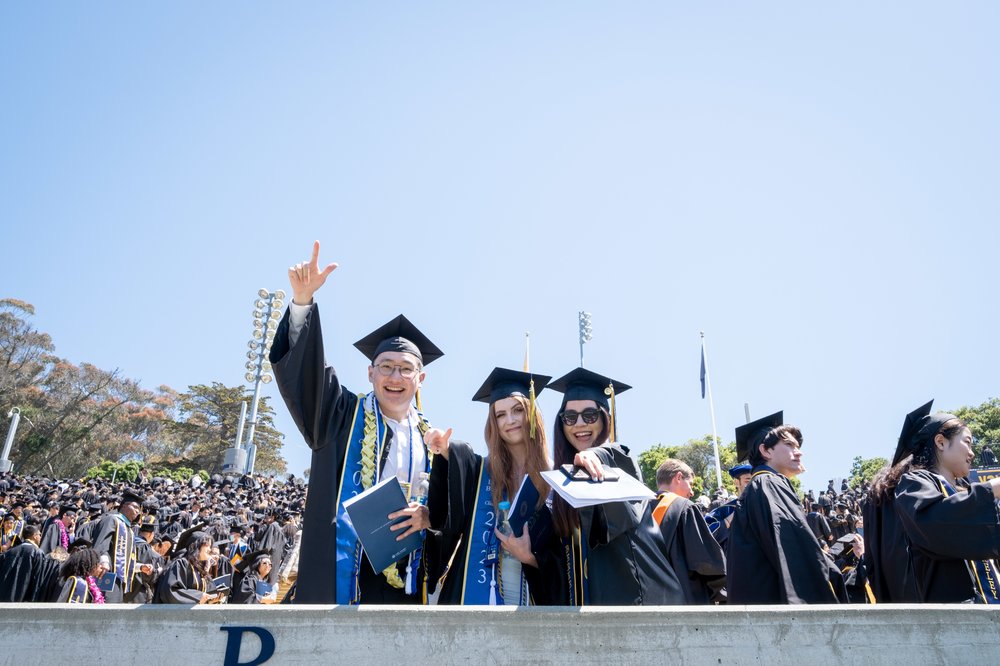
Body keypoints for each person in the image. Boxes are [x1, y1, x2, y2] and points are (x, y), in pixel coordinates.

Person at [270, 241, 443, 604]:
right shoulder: (341, 414)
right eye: (385, 367)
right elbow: (307, 379)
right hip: (345, 567)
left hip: (409, 577)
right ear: (370, 373)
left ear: (420, 379)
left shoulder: (434, 441)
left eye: (406, 368)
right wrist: (302, 302)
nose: (395, 376)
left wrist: (428, 515)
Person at [546, 367, 686, 605]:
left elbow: (613, 453)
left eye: (589, 415)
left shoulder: (620, 462)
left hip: (645, 604)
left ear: (605, 418)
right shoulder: (563, 485)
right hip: (596, 609)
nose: (579, 423)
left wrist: (594, 455)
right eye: (570, 417)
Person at [422, 367, 561, 605]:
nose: (510, 420)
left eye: (518, 410)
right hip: (481, 593)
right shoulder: (481, 473)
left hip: (533, 593)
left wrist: (531, 558)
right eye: (500, 415)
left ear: (532, 414)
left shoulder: (555, 477)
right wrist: (445, 450)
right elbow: (460, 468)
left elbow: (563, 556)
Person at [726, 412, 844, 604]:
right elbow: (794, 548)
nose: (799, 452)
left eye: (797, 446)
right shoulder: (769, 483)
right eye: (789, 445)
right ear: (766, 451)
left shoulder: (757, 488)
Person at [890, 404, 1000, 603]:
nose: (972, 453)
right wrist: (993, 488)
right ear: (940, 442)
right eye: (967, 442)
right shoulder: (914, 484)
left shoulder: (966, 490)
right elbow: (935, 523)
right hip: (955, 615)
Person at [651, 459, 727, 604]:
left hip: (653, 601)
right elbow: (706, 562)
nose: (692, 492)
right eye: (690, 484)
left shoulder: (640, 509)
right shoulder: (685, 508)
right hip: (685, 600)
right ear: (678, 477)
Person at [90, 488, 150, 602]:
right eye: (135, 507)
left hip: (119, 582)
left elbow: (126, 559)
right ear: (124, 506)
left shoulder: (130, 531)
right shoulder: (111, 520)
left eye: (139, 509)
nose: (138, 511)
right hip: (105, 575)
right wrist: (103, 561)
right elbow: (101, 544)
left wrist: (140, 567)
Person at [155, 531, 225, 604]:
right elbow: (170, 591)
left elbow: (207, 592)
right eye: (207, 545)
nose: (210, 549)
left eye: (210, 546)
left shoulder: (200, 569)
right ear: (196, 546)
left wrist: (210, 599)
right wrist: (199, 597)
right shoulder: (181, 564)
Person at [0, 524, 62, 602]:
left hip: (5, 595)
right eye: (39, 534)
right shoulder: (37, 553)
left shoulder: (11, 551)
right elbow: (37, 578)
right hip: (24, 597)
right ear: (34, 536)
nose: (40, 537)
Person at [704, 464, 752, 550]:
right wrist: (727, 521)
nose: (753, 485)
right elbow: (704, 537)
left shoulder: (765, 506)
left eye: (756, 481)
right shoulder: (725, 510)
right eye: (747, 481)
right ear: (737, 482)